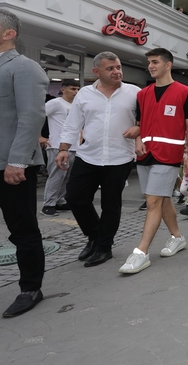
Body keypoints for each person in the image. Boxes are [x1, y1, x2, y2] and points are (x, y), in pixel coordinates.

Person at [0, 8, 48, 318]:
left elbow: (31, 117)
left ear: (8, 33)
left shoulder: (25, 68)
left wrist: (18, 161)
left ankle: (30, 289)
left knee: (22, 230)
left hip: (10, 165)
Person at [56, 52, 139, 268]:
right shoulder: (84, 94)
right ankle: (94, 236)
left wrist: (139, 127)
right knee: (75, 197)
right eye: (110, 68)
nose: (116, 72)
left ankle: (104, 247)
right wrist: (63, 148)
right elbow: (73, 123)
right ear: (97, 72)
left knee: (111, 204)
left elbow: (149, 118)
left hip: (120, 157)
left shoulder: (134, 93)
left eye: (118, 67)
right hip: (89, 155)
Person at [118, 48, 188, 274]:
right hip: (145, 154)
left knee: (153, 201)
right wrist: (138, 140)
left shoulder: (184, 92)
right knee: (162, 200)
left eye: (155, 62)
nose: (151, 66)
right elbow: (141, 123)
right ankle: (177, 237)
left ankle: (140, 253)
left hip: (169, 155)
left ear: (168, 64)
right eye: (149, 63)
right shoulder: (143, 94)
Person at [41, 79, 80, 216]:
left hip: (74, 147)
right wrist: (39, 136)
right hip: (57, 146)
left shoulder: (76, 106)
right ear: (63, 89)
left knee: (67, 177)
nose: (76, 92)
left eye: (77, 89)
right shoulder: (55, 103)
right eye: (73, 89)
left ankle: (60, 201)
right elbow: (38, 116)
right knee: (56, 176)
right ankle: (48, 204)